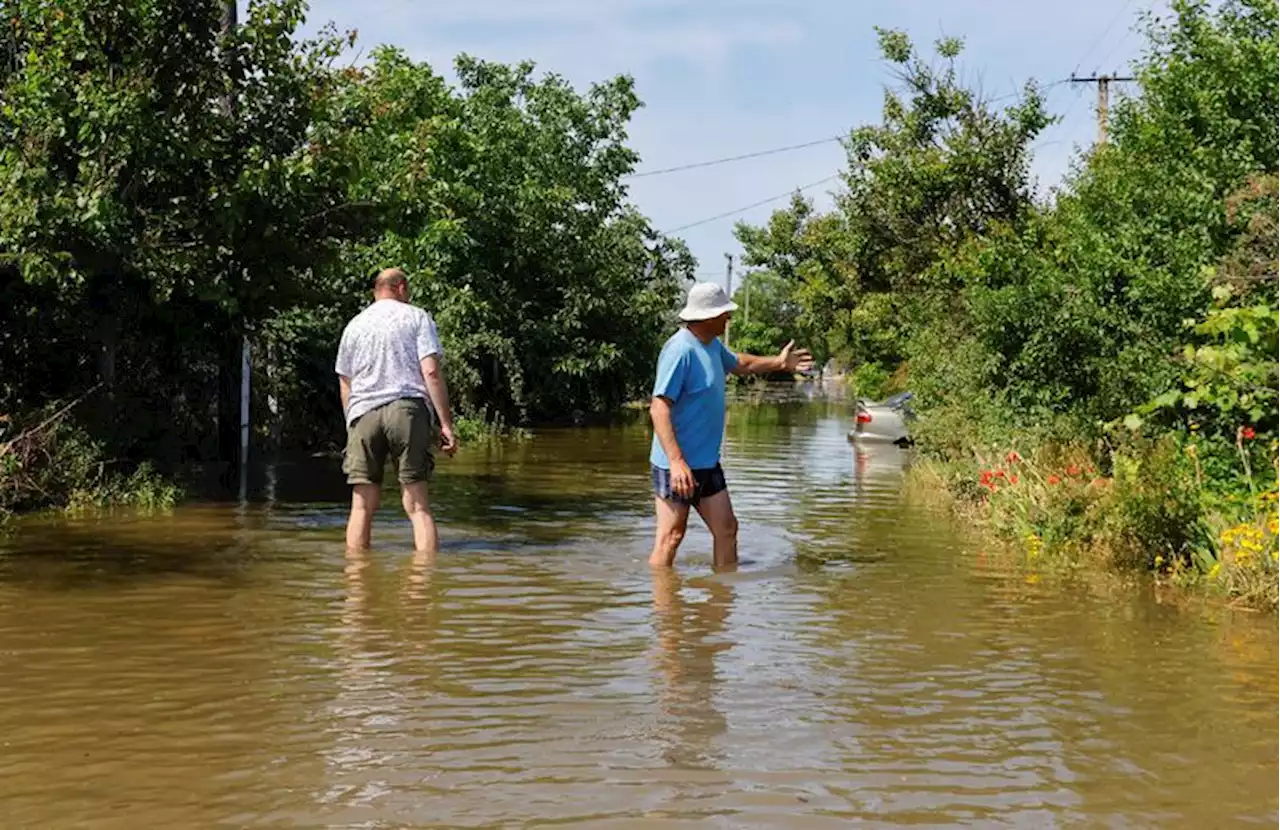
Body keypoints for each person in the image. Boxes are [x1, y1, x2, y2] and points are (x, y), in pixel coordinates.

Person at [648, 282, 814, 569]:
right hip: (676, 465)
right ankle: (664, 611)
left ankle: (721, 602)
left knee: (726, 530)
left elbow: (741, 364)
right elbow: (658, 407)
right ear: (707, 316)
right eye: (724, 313)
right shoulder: (680, 350)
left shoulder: (712, 345)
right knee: (671, 537)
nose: (729, 319)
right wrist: (676, 462)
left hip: (707, 463)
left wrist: (778, 363)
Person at [335, 268, 458, 554]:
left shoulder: (354, 325)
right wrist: (446, 424)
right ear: (401, 287)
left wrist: (352, 423)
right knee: (417, 505)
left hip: (363, 413)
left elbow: (345, 381)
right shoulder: (416, 317)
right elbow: (431, 371)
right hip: (407, 410)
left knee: (362, 505)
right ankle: (424, 583)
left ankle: (357, 584)